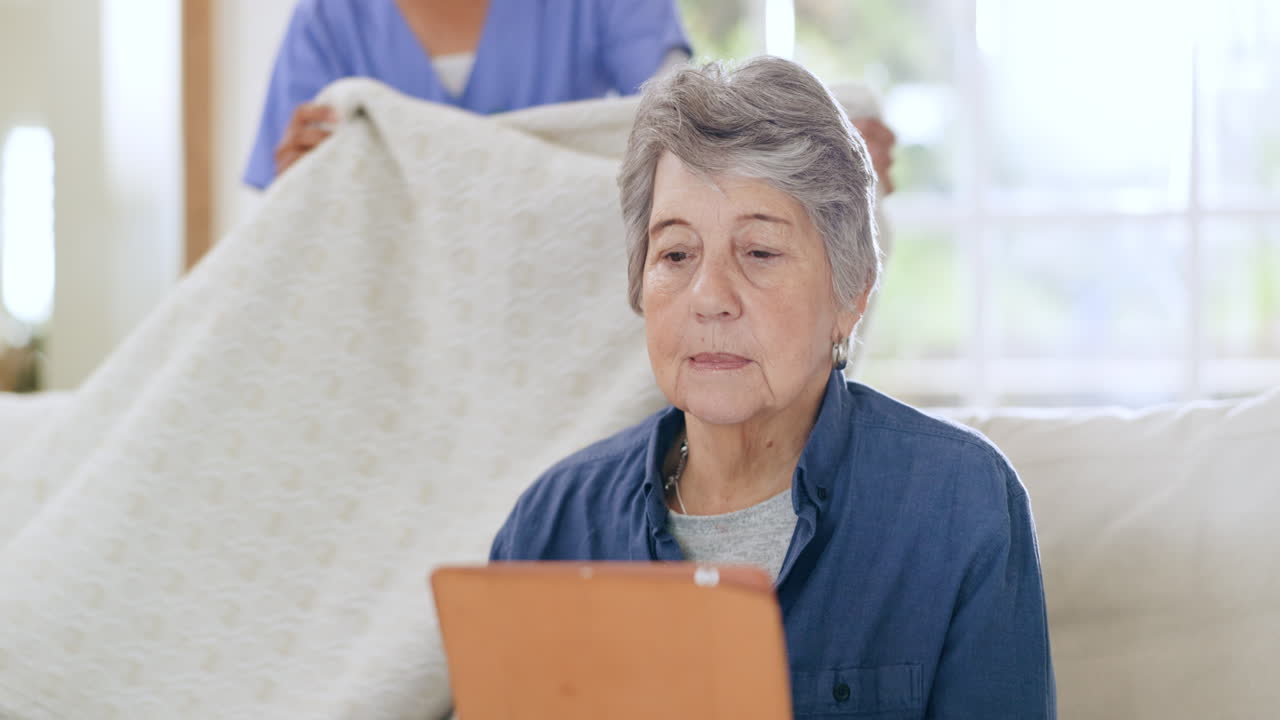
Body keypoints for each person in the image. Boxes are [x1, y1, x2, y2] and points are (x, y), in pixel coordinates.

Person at [489, 58, 1055, 717]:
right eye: (676, 254)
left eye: (759, 252)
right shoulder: (550, 527)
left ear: (851, 294)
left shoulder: (961, 504)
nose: (709, 297)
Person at [244, 0, 693, 189]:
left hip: (556, 292)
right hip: (388, 311)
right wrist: (300, 181)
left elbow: (683, 122)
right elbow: (290, 203)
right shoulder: (330, 17)